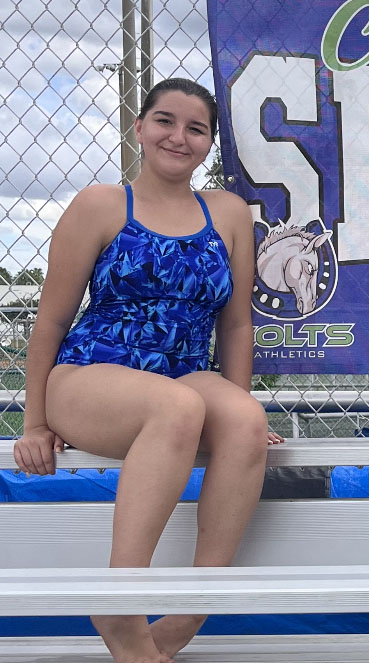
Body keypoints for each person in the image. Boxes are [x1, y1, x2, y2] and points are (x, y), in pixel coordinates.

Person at [11, 78, 283, 663]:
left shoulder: (229, 213)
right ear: (139, 127)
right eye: (165, 121)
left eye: (195, 128)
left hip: (183, 373)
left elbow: (235, 326)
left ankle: (192, 609)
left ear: (210, 143)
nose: (178, 137)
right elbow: (52, 321)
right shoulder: (101, 205)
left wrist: (235, 409)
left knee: (246, 420)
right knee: (177, 407)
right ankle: (120, 600)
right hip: (89, 374)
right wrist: (34, 422)